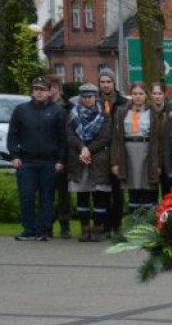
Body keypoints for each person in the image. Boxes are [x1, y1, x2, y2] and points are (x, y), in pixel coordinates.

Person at [7, 76, 68, 241]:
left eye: (42, 89)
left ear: (49, 92)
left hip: (49, 162)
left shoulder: (58, 112)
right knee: (26, 197)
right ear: (32, 92)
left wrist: (61, 160)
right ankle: (29, 229)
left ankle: (43, 230)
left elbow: (63, 139)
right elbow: (13, 135)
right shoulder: (21, 110)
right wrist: (14, 155)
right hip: (27, 162)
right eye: (36, 89)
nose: (39, 93)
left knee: (47, 198)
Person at [66, 83, 114, 242]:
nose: (87, 99)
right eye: (84, 97)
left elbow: (105, 137)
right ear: (80, 97)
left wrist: (89, 150)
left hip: (98, 160)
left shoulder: (104, 114)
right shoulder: (72, 113)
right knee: (82, 197)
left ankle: (98, 229)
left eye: (90, 96)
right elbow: (70, 135)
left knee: (99, 195)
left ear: (96, 97)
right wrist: (82, 148)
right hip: (79, 160)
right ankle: (85, 229)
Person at [111, 82, 162, 217]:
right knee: (133, 189)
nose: (138, 97)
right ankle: (134, 223)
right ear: (131, 95)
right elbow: (116, 138)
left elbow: (158, 139)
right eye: (134, 94)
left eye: (141, 94)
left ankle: (148, 223)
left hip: (147, 152)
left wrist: (158, 163)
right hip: (128, 153)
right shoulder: (122, 111)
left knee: (148, 188)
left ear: (146, 95)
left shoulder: (153, 112)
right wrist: (115, 162)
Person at [97, 70, 127, 235]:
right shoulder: (95, 102)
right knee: (102, 190)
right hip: (100, 151)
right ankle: (104, 226)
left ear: (114, 83)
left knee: (117, 190)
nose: (106, 85)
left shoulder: (123, 103)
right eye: (103, 82)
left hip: (117, 150)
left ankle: (117, 225)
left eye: (108, 81)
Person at [49, 77, 75, 238]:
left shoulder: (69, 107)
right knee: (47, 193)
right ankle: (48, 224)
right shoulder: (42, 106)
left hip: (64, 154)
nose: (52, 91)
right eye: (49, 88)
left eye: (54, 88)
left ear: (59, 89)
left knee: (63, 193)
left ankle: (65, 225)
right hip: (47, 156)